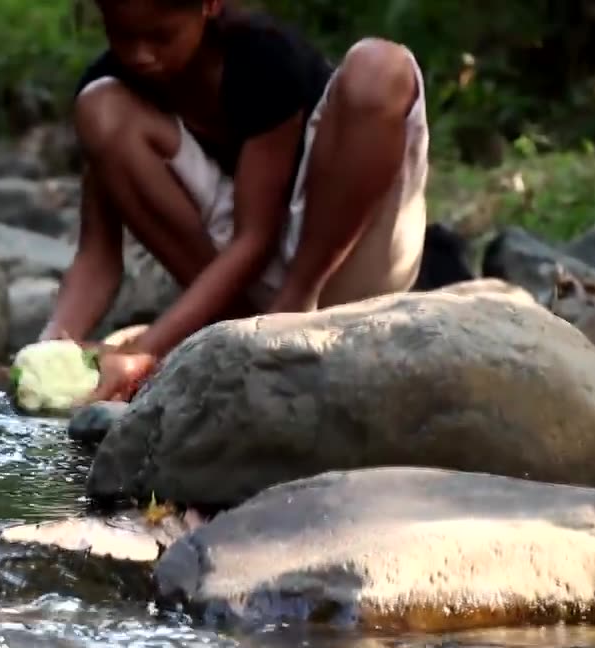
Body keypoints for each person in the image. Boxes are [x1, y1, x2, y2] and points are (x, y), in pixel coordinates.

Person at [37, 0, 430, 403]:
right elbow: (97, 257)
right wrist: (49, 347)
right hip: (236, 292)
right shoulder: (115, 83)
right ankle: (238, 329)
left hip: (337, 266)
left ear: (209, 5)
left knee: (379, 66)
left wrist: (143, 352)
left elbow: (256, 238)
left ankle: (288, 314)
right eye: (123, 37)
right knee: (99, 105)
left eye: (160, 37)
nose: (140, 55)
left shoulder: (263, 58)